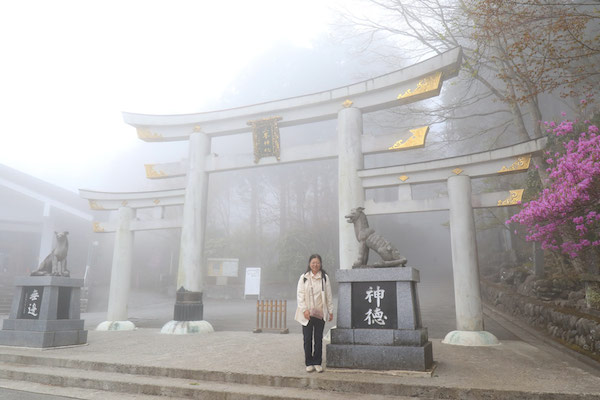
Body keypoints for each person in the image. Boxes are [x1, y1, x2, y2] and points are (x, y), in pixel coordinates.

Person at [294, 254, 334, 373]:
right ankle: (309, 362)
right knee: (307, 338)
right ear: (309, 264)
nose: (315, 265)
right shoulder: (304, 277)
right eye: (313, 262)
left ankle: (317, 362)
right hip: (307, 314)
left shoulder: (324, 278)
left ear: (320, 264)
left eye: (317, 262)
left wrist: (330, 311)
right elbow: (300, 295)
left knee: (318, 338)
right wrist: (304, 310)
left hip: (320, 313)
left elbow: (329, 296)